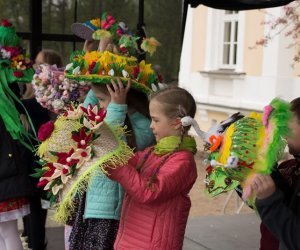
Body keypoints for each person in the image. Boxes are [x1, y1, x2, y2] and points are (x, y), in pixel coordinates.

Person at [105, 86, 198, 249]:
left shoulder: (183, 161)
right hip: (132, 240)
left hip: (152, 244)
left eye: (156, 120)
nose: (151, 126)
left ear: (176, 123)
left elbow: (149, 192)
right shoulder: (154, 152)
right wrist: (102, 152)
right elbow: (128, 162)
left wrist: (118, 167)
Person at [21, 49, 63, 250]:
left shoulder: (41, 101)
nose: (34, 68)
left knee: (34, 210)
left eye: (40, 64)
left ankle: (35, 244)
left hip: (37, 159)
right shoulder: (38, 96)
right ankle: (34, 242)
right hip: (35, 159)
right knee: (34, 211)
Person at [251, 97, 300, 250]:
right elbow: (288, 202)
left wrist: (270, 202)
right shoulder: (292, 166)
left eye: (288, 129)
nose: (283, 135)